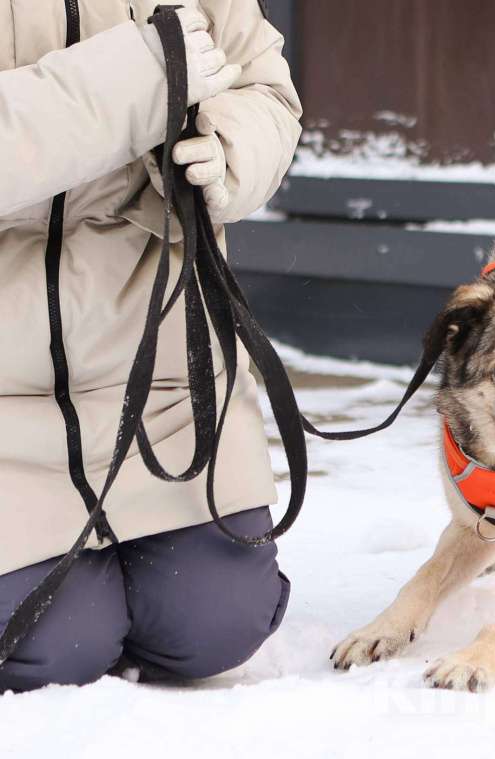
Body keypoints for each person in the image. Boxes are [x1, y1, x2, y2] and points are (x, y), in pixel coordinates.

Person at [0, 1, 302, 692]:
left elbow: (265, 87)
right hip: (4, 397)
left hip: (162, 376)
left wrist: (227, 151)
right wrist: (133, 83)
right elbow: (144, 79)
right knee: (53, 646)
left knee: (215, 624)